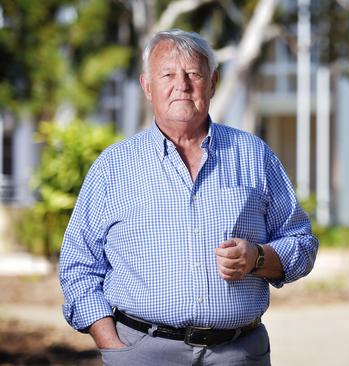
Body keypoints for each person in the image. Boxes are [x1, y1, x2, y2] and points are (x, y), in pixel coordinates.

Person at [59, 29, 318, 365]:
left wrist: (257, 257)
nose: (181, 84)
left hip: (238, 353)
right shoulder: (113, 166)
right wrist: (113, 347)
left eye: (193, 73)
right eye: (167, 74)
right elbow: (79, 265)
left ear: (212, 83)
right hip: (143, 353)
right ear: (147, 87)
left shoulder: (254, 155)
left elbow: (302, 243)